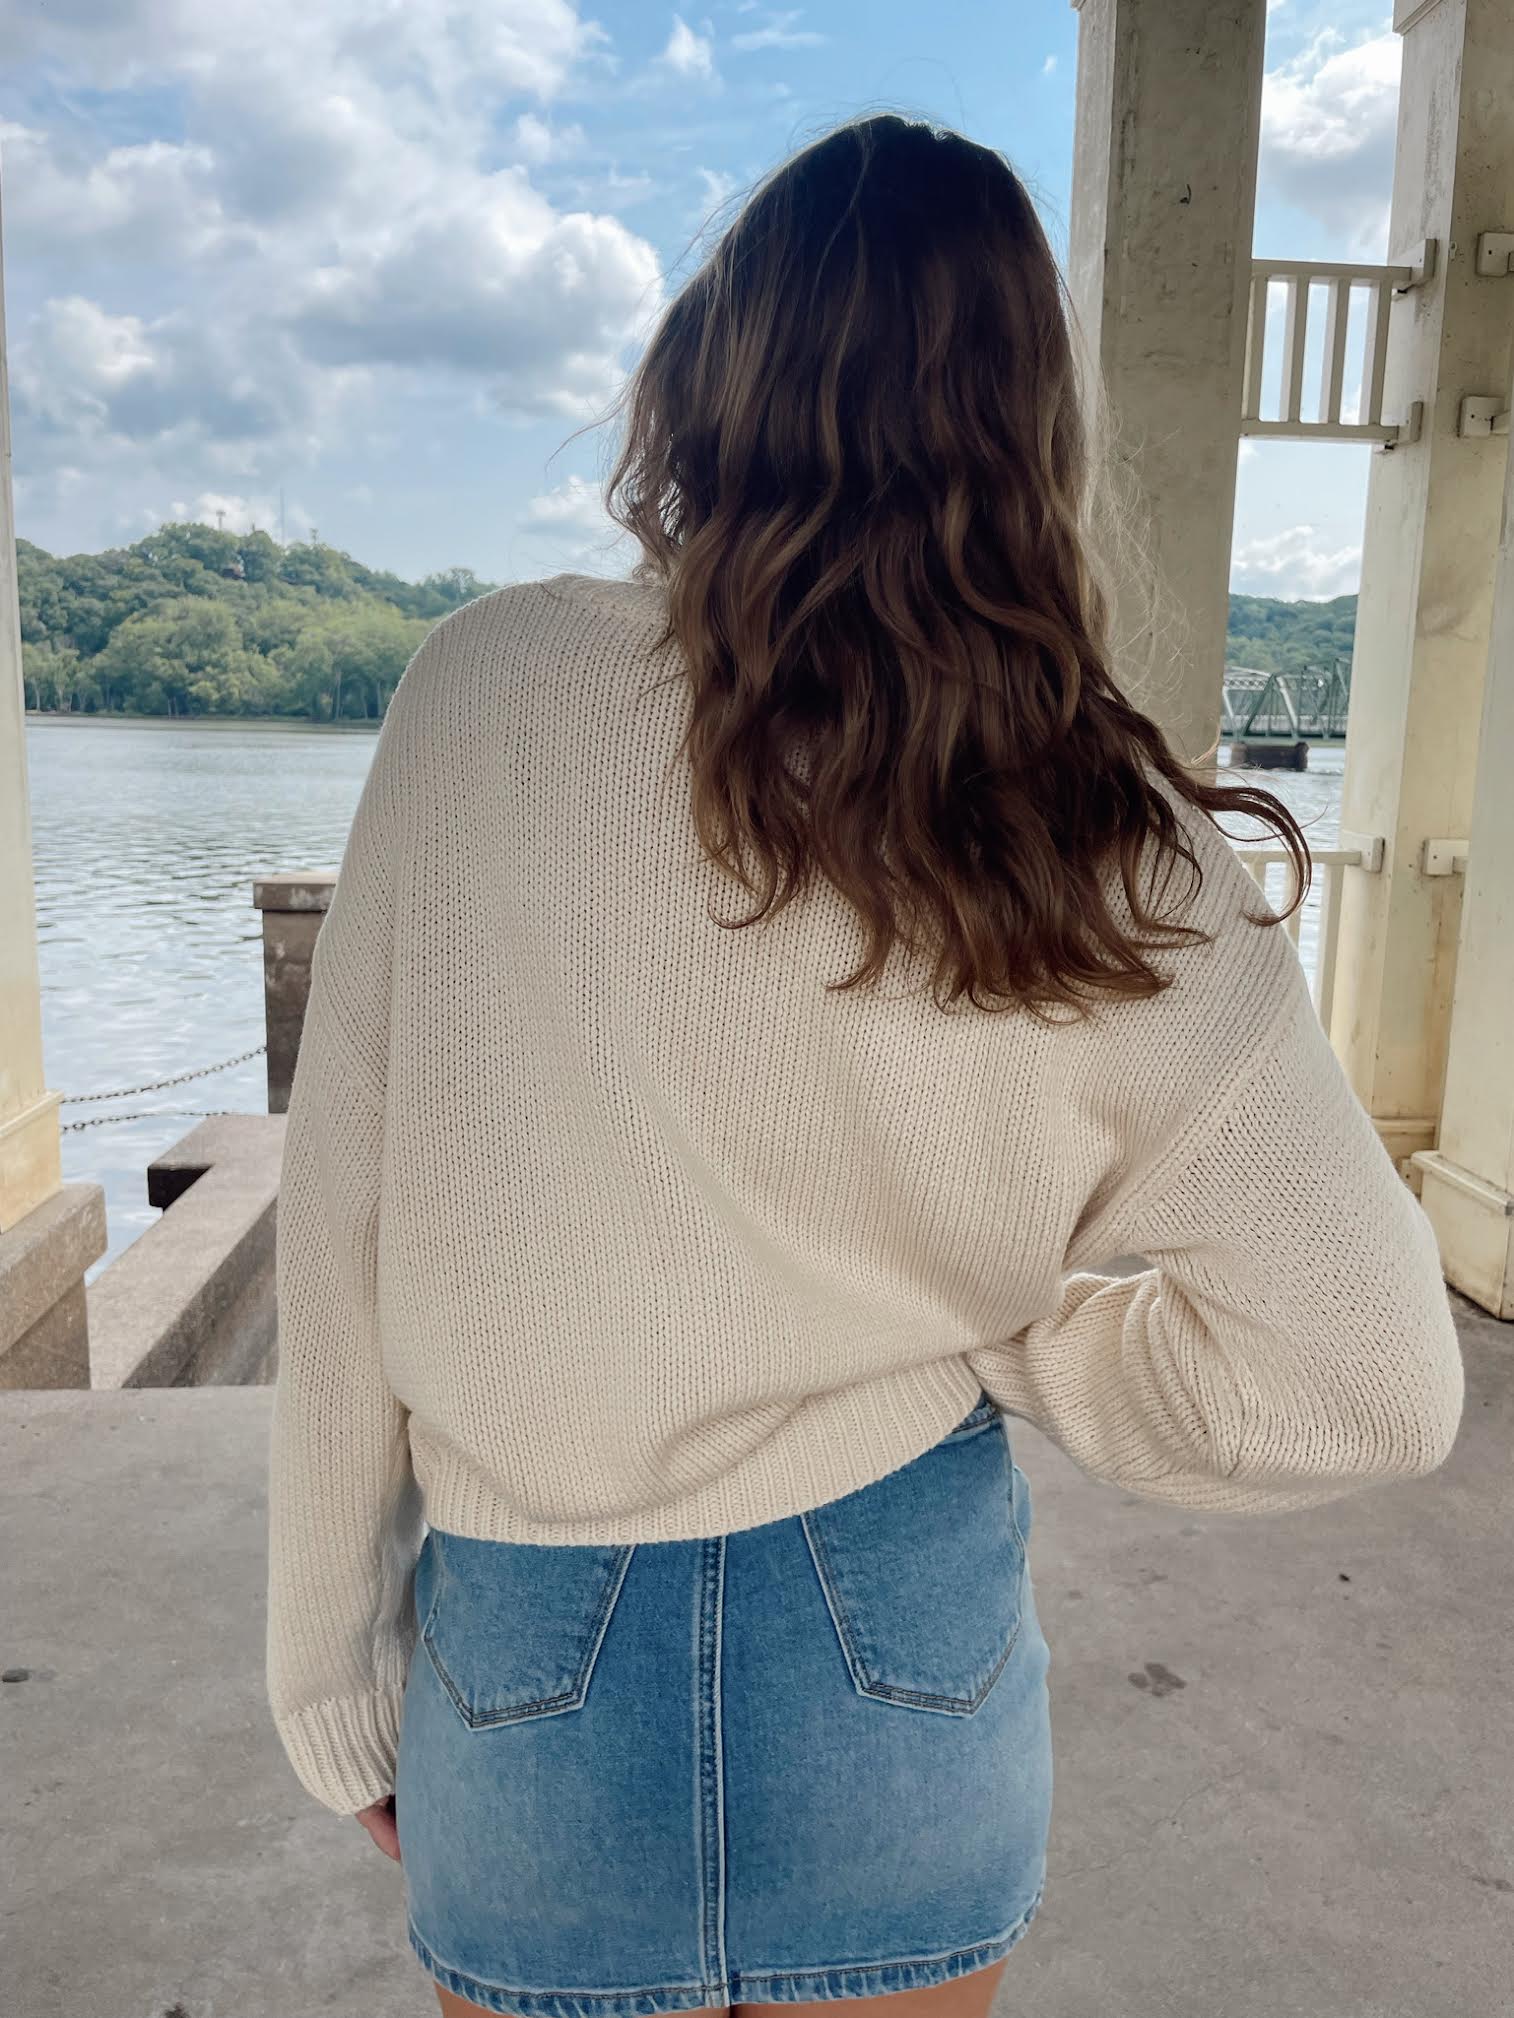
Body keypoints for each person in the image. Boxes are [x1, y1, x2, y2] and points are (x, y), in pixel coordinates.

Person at [265, 113, 1464, 2018]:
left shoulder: (483, 692)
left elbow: (337, 1230)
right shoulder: (1098, 822)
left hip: (532, 1649)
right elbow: (1369, 1378)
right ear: (1029, 434)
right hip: (898, 1643)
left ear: (705, 377)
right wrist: (1009, 1330)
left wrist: (327, 1674)